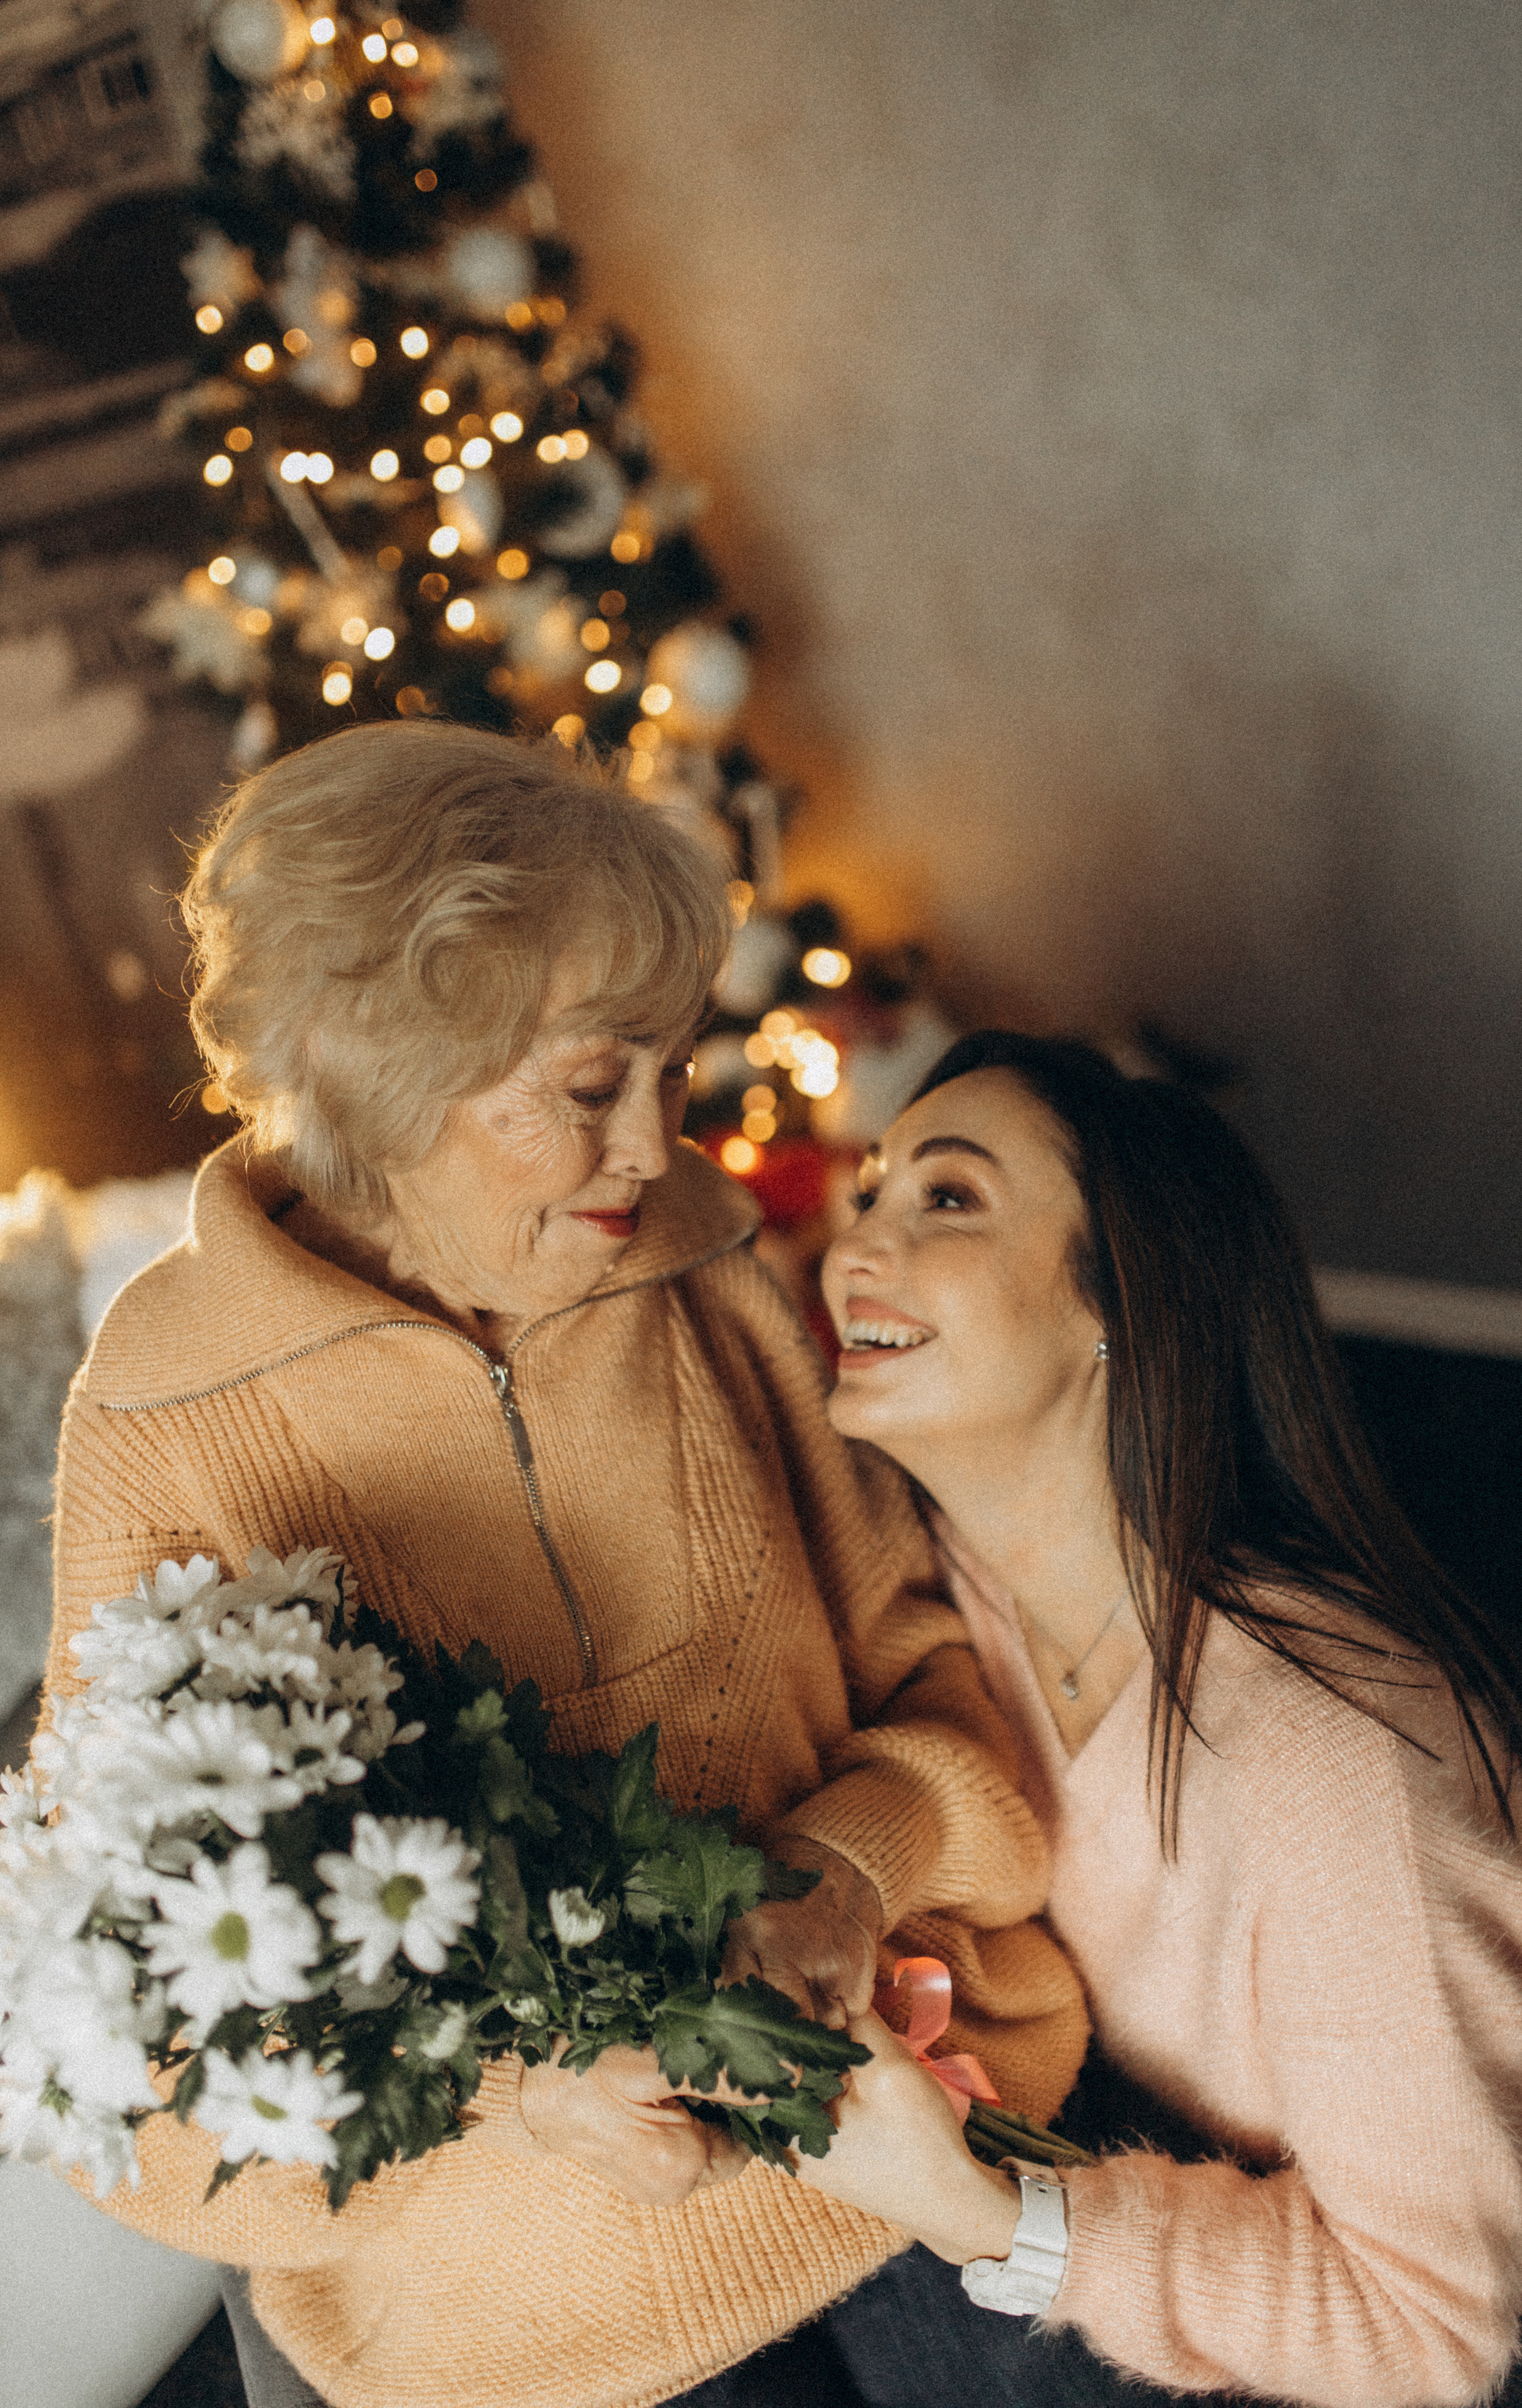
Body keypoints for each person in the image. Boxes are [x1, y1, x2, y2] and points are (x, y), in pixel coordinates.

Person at [40, 741, 1089, 2408]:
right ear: (368, 1067)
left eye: (673, 1073)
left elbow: (943, 1675)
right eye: (593, 1087)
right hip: (520, 2328)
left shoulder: (712, 1266)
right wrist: (517, 2092)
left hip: (912, 2128)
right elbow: (129, 2057)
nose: (654, 1144)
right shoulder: (169, 1415)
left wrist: (847, 1862)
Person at [796, 1032, 1522, 2408]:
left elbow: (1423, 2335)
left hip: (1519, 2287)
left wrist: (998, 2215)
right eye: (868, 1193)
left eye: (944, 1198)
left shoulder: (1321, 1760)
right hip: (1249, 2162)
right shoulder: (957, 1571)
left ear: (1115, 1299)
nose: (847, 1248)